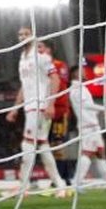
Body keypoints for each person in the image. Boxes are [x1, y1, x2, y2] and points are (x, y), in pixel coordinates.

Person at [5, 29, 67, 197]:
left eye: (26, 34)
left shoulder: (41, 57)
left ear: (33, 36)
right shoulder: (22, 60)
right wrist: (14, 108)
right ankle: (60, 185)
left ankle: (23, 186)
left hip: (40, 106)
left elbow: (56, 79)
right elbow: (24, 86)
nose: (22, 37)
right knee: (43, 145)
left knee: (28, 144)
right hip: (30, 107)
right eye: (20, 35)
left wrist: (50, 104)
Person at [67, 66, 106, 193]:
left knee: (100, 154)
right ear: (76, 74)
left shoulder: (80, 88)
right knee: (87, 153)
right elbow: (86, 105)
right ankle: (76, 183)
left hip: (92, 126)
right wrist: (105, 109)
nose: (85, 73)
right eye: (82, 71)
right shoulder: (77, 88)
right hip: (87, 126)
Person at [40, 41, 72, 184]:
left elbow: (60, 84)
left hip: (59, 109)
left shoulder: (59, 65)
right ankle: (60, 179)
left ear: (50, 49)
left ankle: (63, 179)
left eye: (42, 47)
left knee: (58, 144)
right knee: (47, 145)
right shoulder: (39, 66)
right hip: (45, 109)